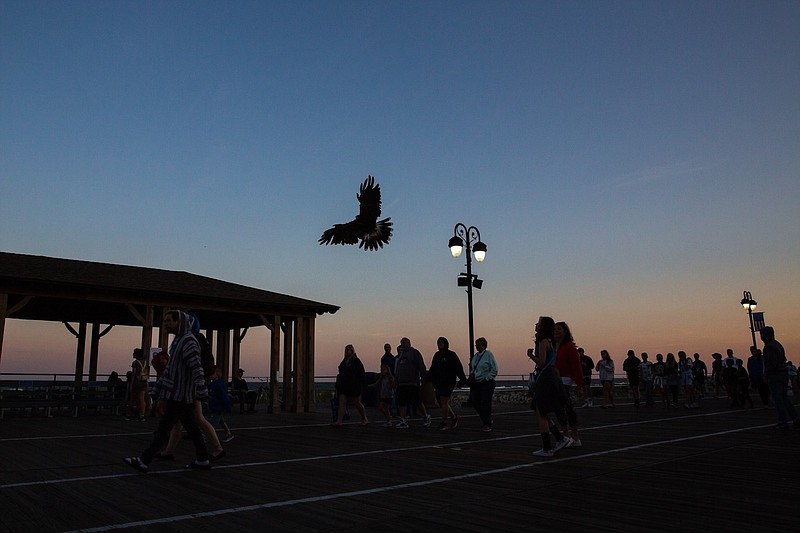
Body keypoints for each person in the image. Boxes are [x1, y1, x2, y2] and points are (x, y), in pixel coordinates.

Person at [123, 310, 210, 473]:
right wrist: (156, 391)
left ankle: (144, 460)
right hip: (179, 396)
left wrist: (201, 391)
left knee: (164, 428)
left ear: (180, 322)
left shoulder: (188, 342)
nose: (165, 324)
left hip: (181, 395)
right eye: (164, 321)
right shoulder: (178, 342)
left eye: (169, 321)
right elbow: (170, 370)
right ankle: (203, 458)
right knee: (191, 428)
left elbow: (197, 368)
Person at [529, 317, 572, 457]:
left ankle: (547, 448)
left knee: (541, 412)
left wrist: (530, 355)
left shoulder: (543, 341)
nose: (536, 324)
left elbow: (541, 362)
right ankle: (560, 439)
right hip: (551, 376)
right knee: (543, 411)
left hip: (546, 377)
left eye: (538, 322)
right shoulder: (550, 341)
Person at [761, 326, 800, 430]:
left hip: (775, 375)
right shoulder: (778, 344)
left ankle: (783, 421)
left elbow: (771, 363)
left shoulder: (769, 347)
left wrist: (767, 374)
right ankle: (795, 418)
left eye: (762, 334)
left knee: (778, 399)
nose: (761, 337)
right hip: (783, 373)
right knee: (784, 398)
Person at [428, 337, 467, 431]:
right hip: (438, 382)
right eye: (438, 343)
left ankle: (444, 422)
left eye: (441, 342)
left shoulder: (451, 354)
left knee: (444, 400)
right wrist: (428, 377)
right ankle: (454, 417)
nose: (439, 344)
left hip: (448, 381)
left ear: (445, 343)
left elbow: (458, 367)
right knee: (441, 402)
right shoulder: (437, 355)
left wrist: (462, 379)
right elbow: (433, 368)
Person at [554, 321, 582, 446]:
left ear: (565, 331)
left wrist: (579, 384)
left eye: (559, 329)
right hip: (554, 379)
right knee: (559, 408)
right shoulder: (553, 346)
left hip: (565, 379)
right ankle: (565, 435)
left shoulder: (569, 346)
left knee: (567, 406)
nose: (556, 331)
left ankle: (575, 436)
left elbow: (576, 365)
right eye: (554, 329)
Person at [393, 337, 430, 428]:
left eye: (404, 343)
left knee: (417, 401)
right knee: (401, 402)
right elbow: (398, 369)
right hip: (402, 383)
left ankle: (425, 416)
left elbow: (421, 365)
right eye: (401, 343)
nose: (402, 344)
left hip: (412, 382)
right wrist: (396, 379)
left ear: (409, 343)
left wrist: (423, 377)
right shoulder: (401, 355)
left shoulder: (414, 353)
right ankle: (403, 420)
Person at [331, 344, 368, 426]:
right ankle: (339, 421)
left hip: (353, 386)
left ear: (352, 351)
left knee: (356, 402)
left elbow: (361, 373)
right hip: (343, 386)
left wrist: (363, 384)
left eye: (348, 350)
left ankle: (364, 418)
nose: (346, 351)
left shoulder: (356, 361)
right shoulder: (343, 362)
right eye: (346, 350)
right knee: (342, 401)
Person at [470, 337, 498, 432]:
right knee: (475, 401)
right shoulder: (476, 356)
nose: (477, 347)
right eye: (476, 345)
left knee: (485, 402)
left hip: (486, 382)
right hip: (477, 382)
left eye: (479, 345)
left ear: (484, 345)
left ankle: (487, 424)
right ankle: (486, 419)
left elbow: (494, 368)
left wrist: (487, 378)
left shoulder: (488, 355)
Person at [207, 366, 234, 442]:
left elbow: (223, 396)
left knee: (211, 423)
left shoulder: (218, 385)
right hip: (215, 406)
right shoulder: (213, 384)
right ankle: (228, 433)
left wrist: (227, 406)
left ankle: (207, 435)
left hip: (218, 407)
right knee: (221, 421)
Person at [125, 348, 149, 421]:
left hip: (136, 382)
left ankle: (129, 414)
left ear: (136, 354)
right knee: (142, 399)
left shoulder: (135, 363)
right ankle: (142, 414)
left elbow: (133, 374)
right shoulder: (145, 362)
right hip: (144, 382)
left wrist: (131, 385)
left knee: (132, 399)